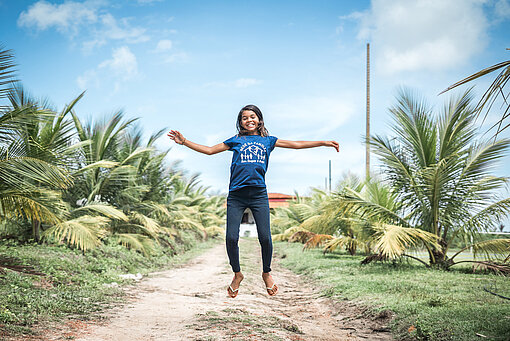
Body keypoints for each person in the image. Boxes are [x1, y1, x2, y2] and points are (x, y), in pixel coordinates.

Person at [168, 104, 339, 298]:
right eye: (244, 118)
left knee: (265, 238)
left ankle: (266, 273)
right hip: (236, 196)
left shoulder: (268, 141)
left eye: (252, 117)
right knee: (231, 238)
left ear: (259, 120)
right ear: (240, 122)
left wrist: (323, 142)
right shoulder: (236, 140)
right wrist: (185, 142)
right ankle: (237, 274)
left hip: (258, 195)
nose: (249, 120)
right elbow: (209, 150)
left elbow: (296, 144)